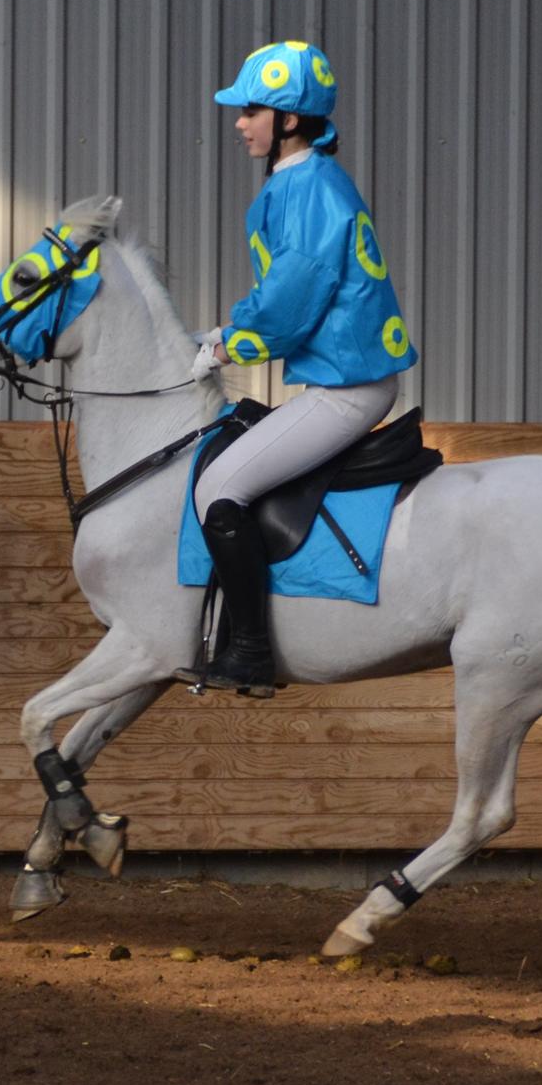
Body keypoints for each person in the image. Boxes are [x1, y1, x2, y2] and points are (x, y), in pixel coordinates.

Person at [184, 41, 418, 693]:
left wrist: (235, 343)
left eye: (250, 110)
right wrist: (230, 328)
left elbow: (292, 300)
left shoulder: (308, 187)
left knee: (218, 488)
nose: (238, 122)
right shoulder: (302, 183)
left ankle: (252, 652)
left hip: (349, 387)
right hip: (341, 377)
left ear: (288, 120)